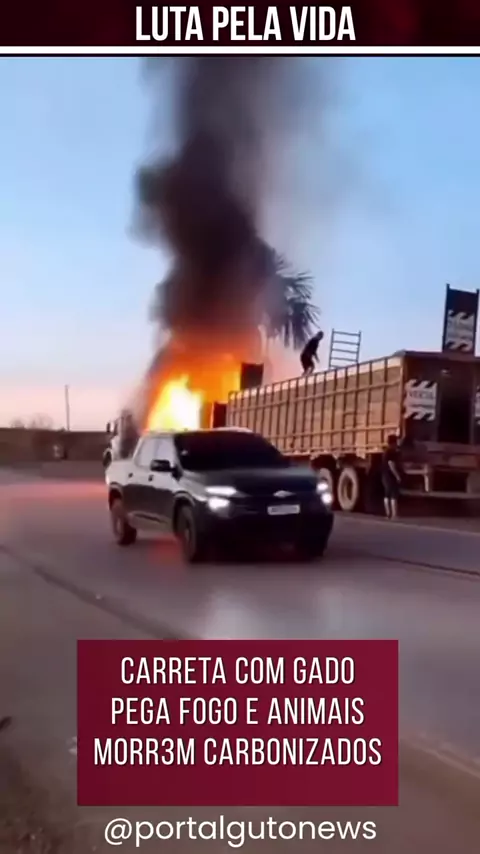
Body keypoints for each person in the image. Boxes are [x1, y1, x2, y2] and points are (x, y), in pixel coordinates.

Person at [381, 434, 402, 519]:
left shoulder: (386, 451)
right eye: (396, 442)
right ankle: (394, 514)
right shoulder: (391, 452)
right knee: (393, 495)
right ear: (393, 443)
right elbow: (391, 464)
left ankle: (388, 513)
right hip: (390, 476)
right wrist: (397, 476)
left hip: (385, 475)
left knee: (387, 494)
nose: (397, 444)